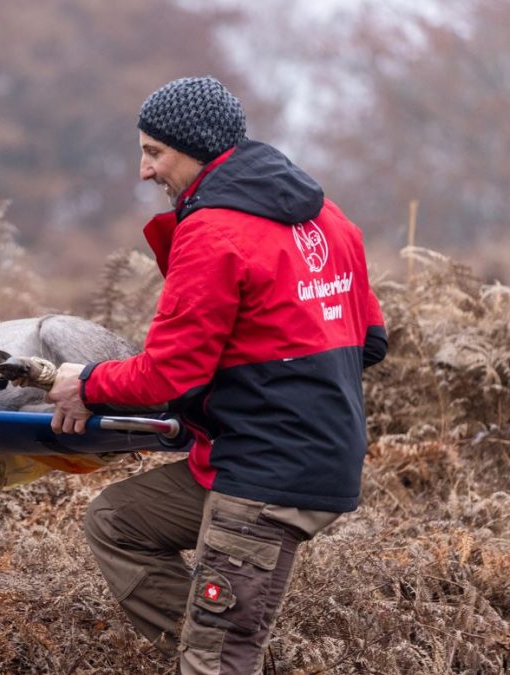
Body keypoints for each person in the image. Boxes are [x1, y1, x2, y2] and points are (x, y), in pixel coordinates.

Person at [46, 77, 388, 674]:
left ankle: (218, 653)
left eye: (154, 152)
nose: (144, 171)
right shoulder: (327, 218)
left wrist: (88, 383)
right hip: (287, 455)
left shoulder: (214, 231)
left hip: (265, 475)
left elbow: (166, 377)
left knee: (217, 662)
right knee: (116, 522)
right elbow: (372, 340)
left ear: (197, 147)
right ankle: (215, 647)